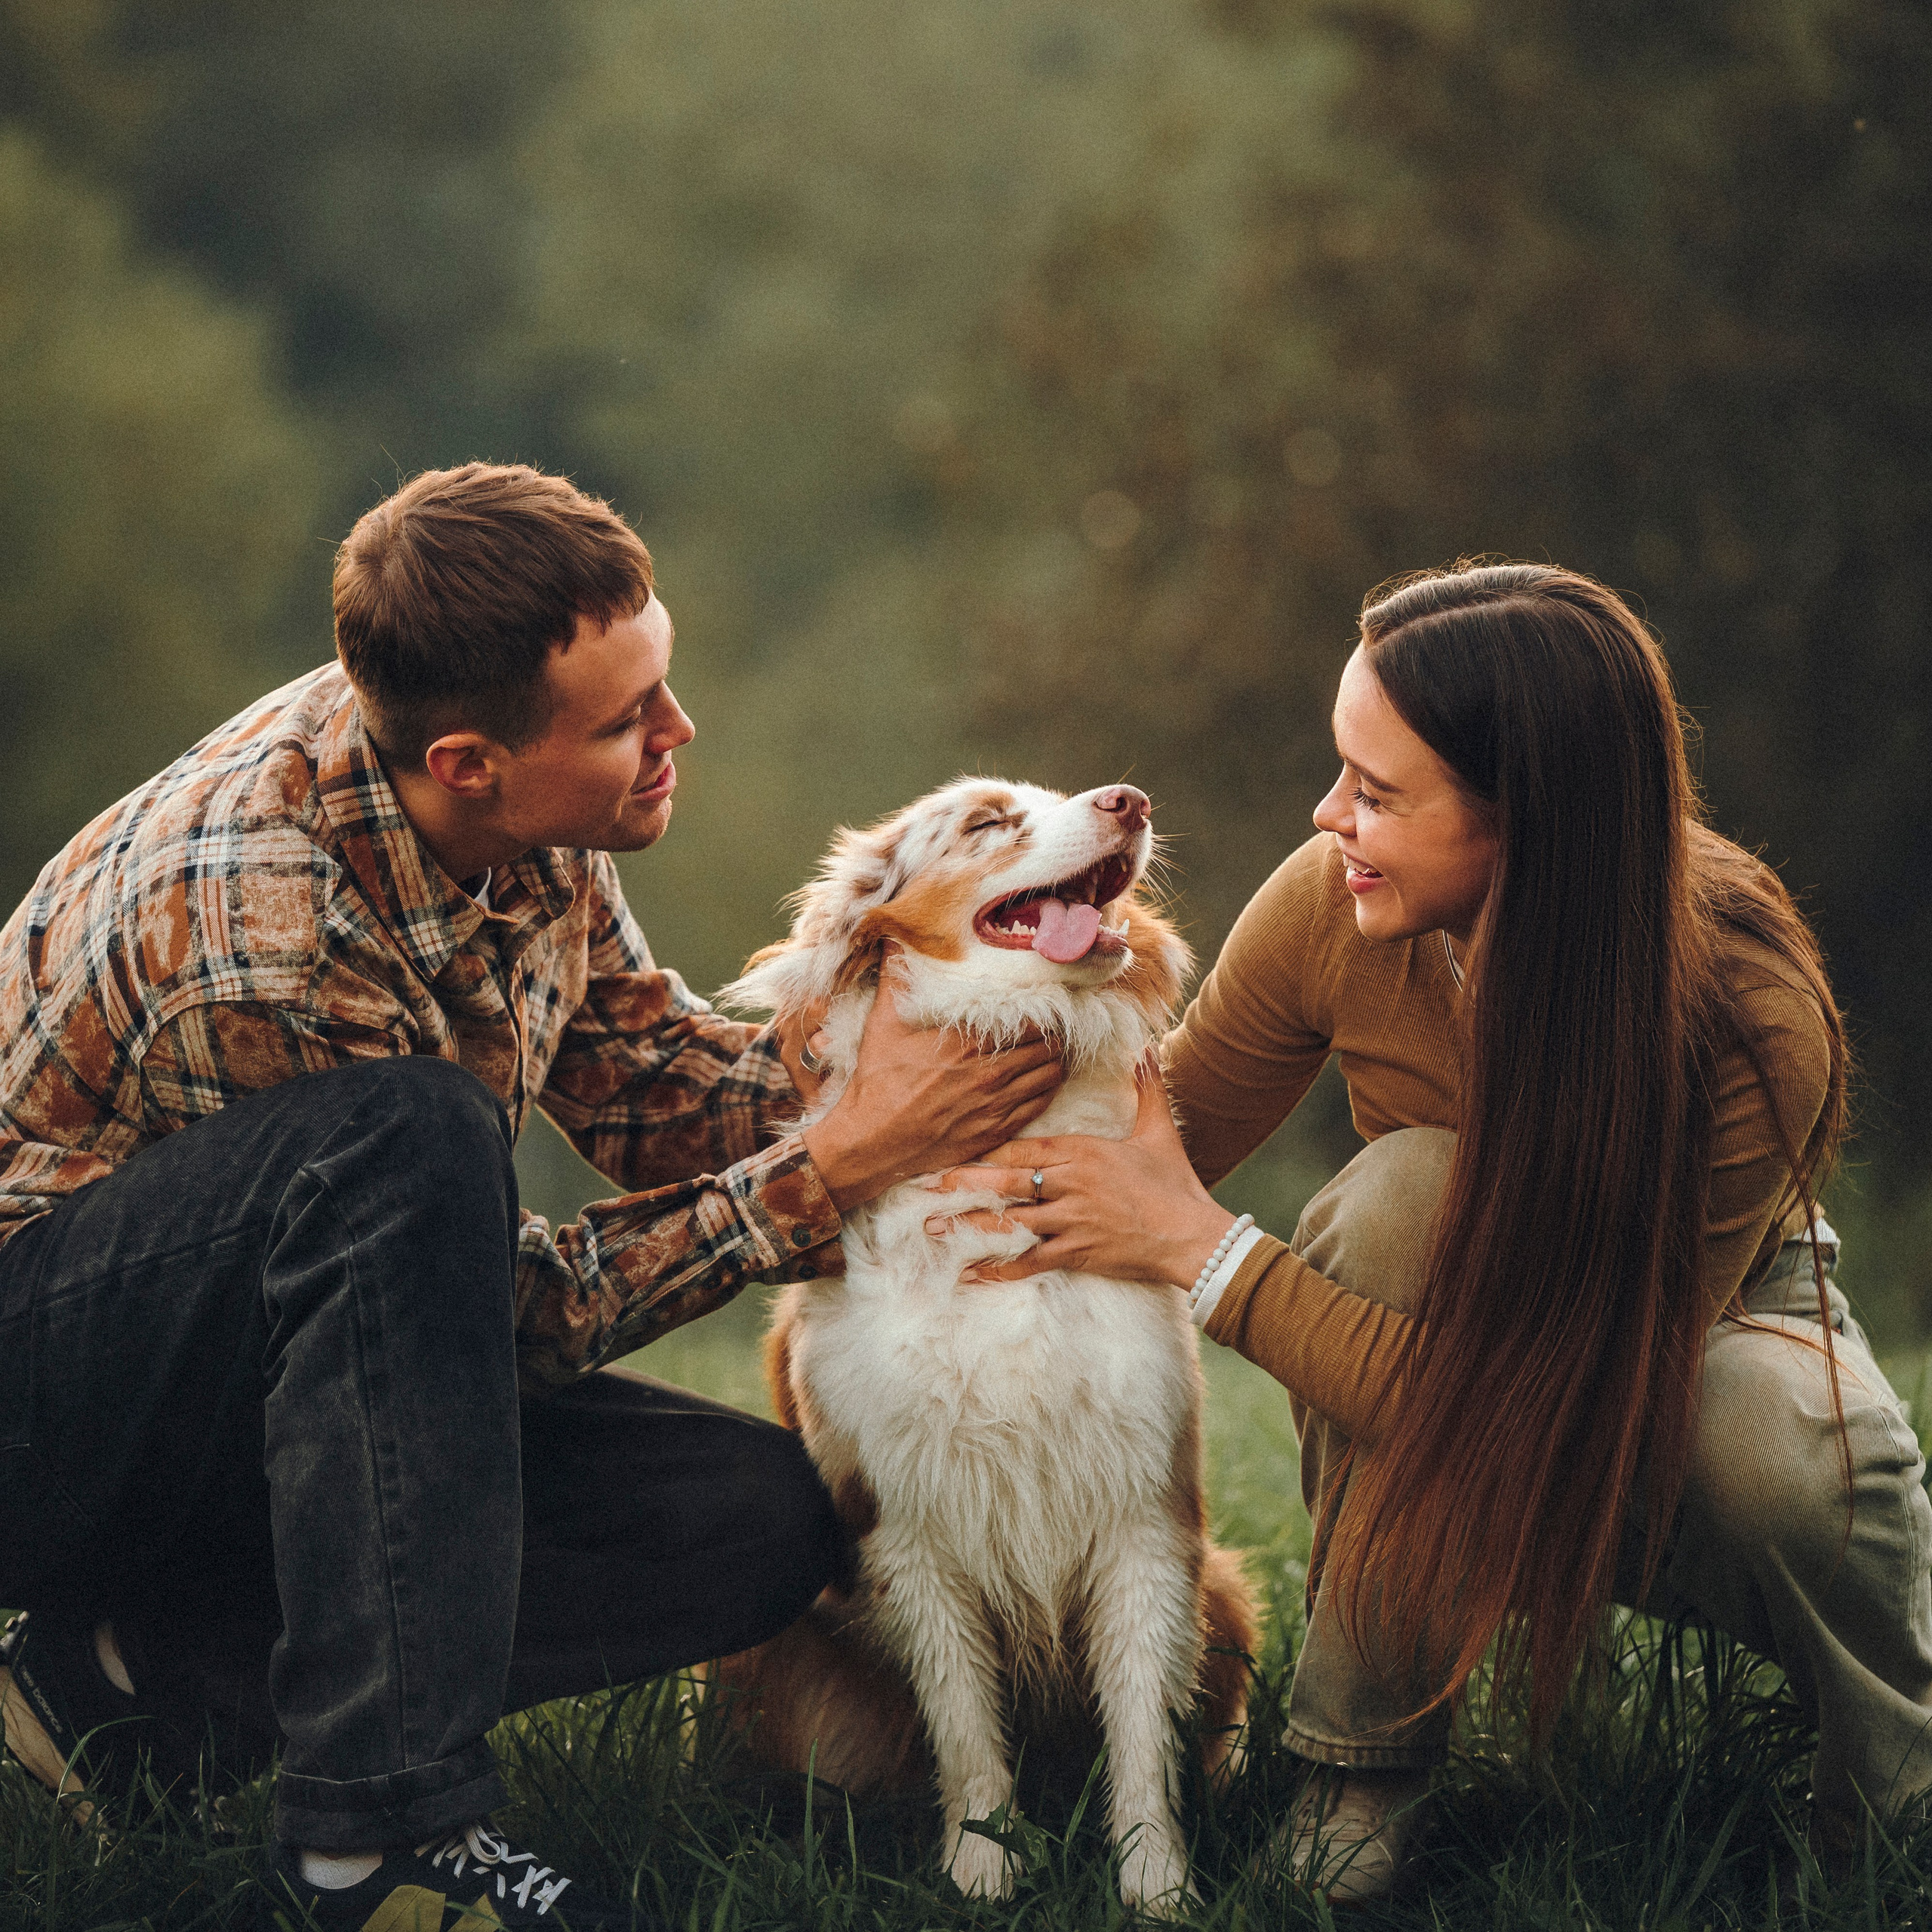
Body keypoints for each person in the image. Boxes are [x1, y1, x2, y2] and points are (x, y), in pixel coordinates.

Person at [0, 463, 1063, 1929]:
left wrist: (942, 1079)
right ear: (470, 760)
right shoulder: (268, 931)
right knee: (408, 1136)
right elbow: (482, 1323)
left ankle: (129, 1680)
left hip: (260, 1383)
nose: (676, 733)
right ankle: (371, 1842)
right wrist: (836, 1162)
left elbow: (646, 1084)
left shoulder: (510, 793)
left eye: (662, 683)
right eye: (629, 719)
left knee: (753, 1517)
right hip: (47, 1394)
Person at [934, 561, 1932, 1900]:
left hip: (1691, 1333)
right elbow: (1144, 1143)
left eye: (1379, 793)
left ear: (1529, 817)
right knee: (1407, 1191)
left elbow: (1561, 1409)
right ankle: (1363, 1770)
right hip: (1455, 1300)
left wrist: (1211, 1257)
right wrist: (854, 1129)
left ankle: (1893, 1801)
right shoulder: (1330, 905)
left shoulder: (1753, 1009)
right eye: (1342, 770)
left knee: (1787, 1452)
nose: (1327, 814)